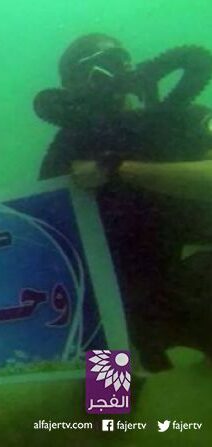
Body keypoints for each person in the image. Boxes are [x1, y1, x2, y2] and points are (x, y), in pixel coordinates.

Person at [34, 33, 212, 372]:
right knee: (110, 404)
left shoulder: (182, 119)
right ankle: (116, 400)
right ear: (69, 87)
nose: (103, 78)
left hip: (196, 274)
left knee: (198, 396)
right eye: (85, 73)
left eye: (113, 63)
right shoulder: (67, 151)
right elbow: (48, 240)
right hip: (117, 304)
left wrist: (120, 169)